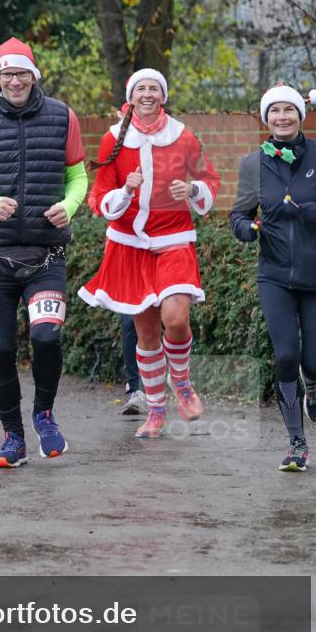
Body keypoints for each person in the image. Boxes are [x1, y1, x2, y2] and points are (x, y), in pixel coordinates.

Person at [0, 37, 88, 468]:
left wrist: (69, 205)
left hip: (46, 255)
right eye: (7, 74)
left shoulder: (62, 116)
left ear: (34, 75)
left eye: (22, 73)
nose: (15, 81)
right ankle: (13, 438)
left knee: (46, 336)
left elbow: (79, 177)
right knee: (2, 348)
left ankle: (44, 415)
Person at [79, 69, 220, 439]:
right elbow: (99, 197)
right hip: (130, 246)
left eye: (154, 88)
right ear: (131, 96)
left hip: (174, 239)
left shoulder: (182, 135)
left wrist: (192, 189)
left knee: (176, 319)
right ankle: (156, 411)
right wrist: (125, 191)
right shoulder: (113, 139)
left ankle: (182, 382)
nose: (147, 94)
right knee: (145, 333)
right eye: (140, 88)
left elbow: (210, 180)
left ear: (163, 96)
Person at [230, 83, 316, 472]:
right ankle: (296, 443)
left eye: (289, 110)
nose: (282, 117)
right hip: (274, 276)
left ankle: (315, 383)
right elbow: (239, 214)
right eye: (275, 111)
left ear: (300, 116)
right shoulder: (252, 164)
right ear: (266, 118)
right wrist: (245, 229)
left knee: (315, 362)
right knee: (286, 356)